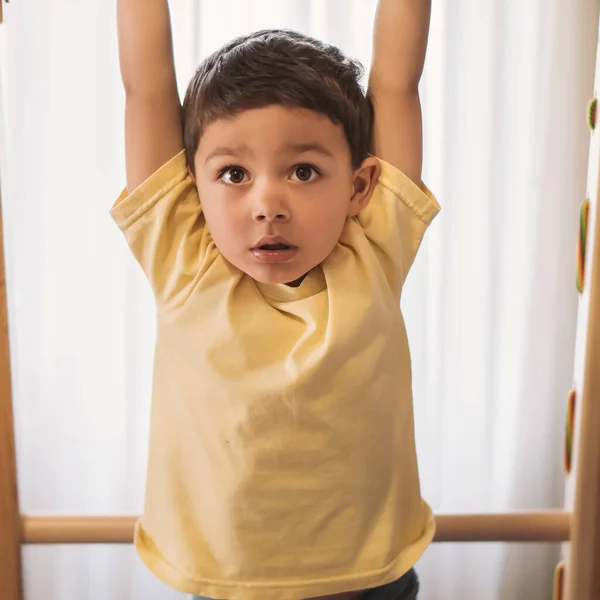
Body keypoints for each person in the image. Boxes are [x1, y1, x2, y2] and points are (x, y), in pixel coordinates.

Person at [113, 1, 438, 599]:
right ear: (193, 187)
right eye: (234, 174)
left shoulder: (375, 251)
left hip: (369, 579)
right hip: (226, 581)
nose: (268, 203)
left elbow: (397, 84)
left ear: (360, 187)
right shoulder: (184, 261)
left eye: (304, 172)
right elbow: (146, 89)